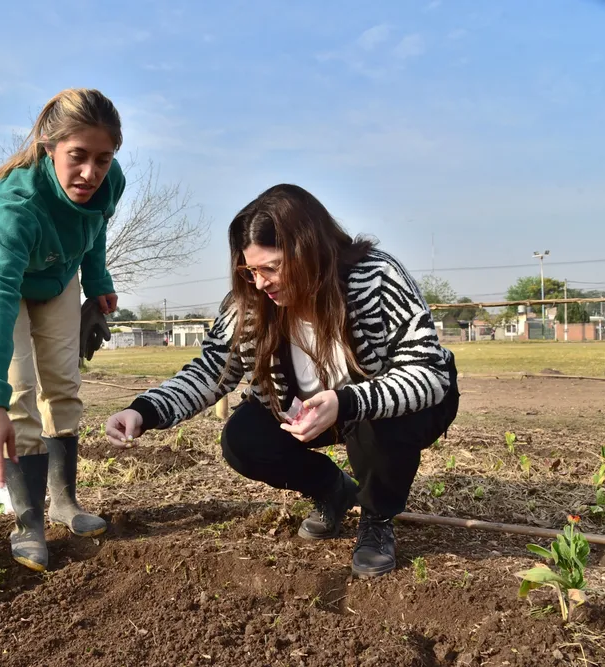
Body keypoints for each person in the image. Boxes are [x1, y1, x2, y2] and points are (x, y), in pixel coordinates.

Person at [105, 184, 459, 578]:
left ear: (310, 250)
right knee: (243, 440)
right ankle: (332, 490)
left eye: (271, 268)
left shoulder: (375, 279)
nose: (260, 283)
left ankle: (377, 517)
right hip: (309, 410)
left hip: (387, 406)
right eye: (250, 270)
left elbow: (428, 370)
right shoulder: (250, 304)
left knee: (380, 418)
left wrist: (349, 402)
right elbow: (210, 370)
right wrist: (144, 410)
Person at [0, 88, 123, 572]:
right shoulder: (17, 205)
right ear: (50, 148)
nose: (90, 172)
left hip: (55, 274)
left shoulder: (110, 182)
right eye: (77, 157)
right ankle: (28, 522)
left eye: (102, 158)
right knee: (19, 388)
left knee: (63, 383)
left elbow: (94, 225)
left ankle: (65, 503)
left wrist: (98, 280)